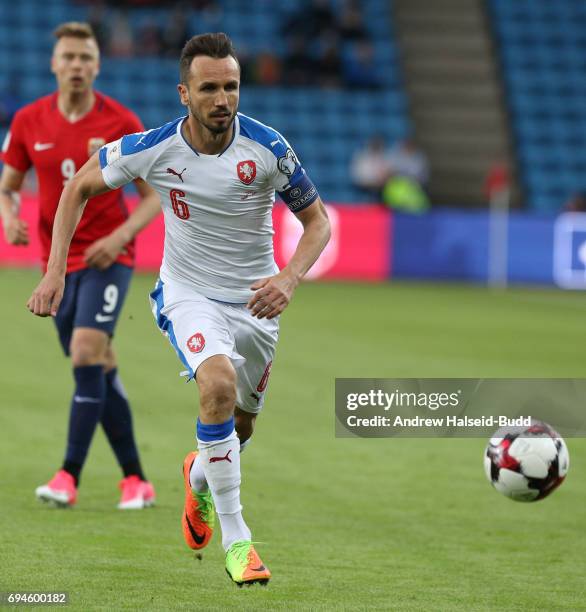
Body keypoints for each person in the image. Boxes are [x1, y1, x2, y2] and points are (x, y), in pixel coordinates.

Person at [27, 32, 331, 586]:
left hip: (257, 304)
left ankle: (198, 478)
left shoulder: (268, 148)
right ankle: (240, 544)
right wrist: (54, 272)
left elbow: (318, 222)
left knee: (239, 428)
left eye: (231, 86)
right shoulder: (153, 147)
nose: (223, 98)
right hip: (188, 293)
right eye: (209, 88)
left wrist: (288, 277)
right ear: (184, 94)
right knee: (215, 388)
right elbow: (77, 190)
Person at [0, 22, 161, 509]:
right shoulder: (29, 121)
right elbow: (8, 185)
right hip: (56, 261)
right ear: (54, 64)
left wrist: (120, 236)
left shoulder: (120, 121)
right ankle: (136, 479)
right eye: (68, 57)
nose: (76, 65)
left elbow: (154, 198)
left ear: (97, 65)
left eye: (85, 57)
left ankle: (67, 476)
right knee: (99, 369)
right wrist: (9, 217)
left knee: (87, 353)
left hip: (109, 258)